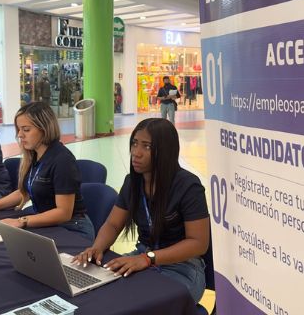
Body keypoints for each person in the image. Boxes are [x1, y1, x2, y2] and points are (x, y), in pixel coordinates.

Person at [73, 118, 210, 304]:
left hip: (182, 266)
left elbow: (198, 243)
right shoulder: (133, 182)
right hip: (142, 256)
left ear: (165, 151)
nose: (136, 153)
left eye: (146, 146)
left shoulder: (188, 186)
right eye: (135, 144)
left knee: (140, 303)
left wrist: (148, 258)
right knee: (96, 292)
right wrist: (97, 247)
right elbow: (113, 224)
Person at [0, 101, 94, 241]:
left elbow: (63, 213)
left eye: (26, 130)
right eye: (19, 130)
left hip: (71, 228)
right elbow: (24, 192)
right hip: (46, 222)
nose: (20, 135)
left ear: (44, 128)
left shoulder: (62, 160)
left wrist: (21, 221)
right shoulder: (34, 155)